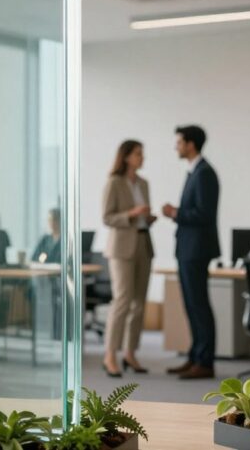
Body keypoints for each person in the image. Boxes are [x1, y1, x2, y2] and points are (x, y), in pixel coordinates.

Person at [162, 125, 219, 380]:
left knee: (198, 305)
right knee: (191, 304)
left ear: (191, 144)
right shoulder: (194, 172)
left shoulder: (204, 173)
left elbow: (204, 214)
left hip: (196, 249)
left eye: (179, 142)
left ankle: (204, 361)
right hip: (188, 248)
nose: (176, 146)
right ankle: (195, 355)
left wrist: (175, 213)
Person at [101, 140, 156, 378]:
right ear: (125, 157)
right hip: (121, 247)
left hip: (143, 242)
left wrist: (148, 218)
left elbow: (142, 216)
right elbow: (107, 217)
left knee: (139, 304)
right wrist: (131, 214)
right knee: (122, 300)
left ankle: (130, 353)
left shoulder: (143, 183)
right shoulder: (113, 183)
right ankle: (110, 355)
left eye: (142, 154)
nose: (142, 158)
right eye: (137, 154)